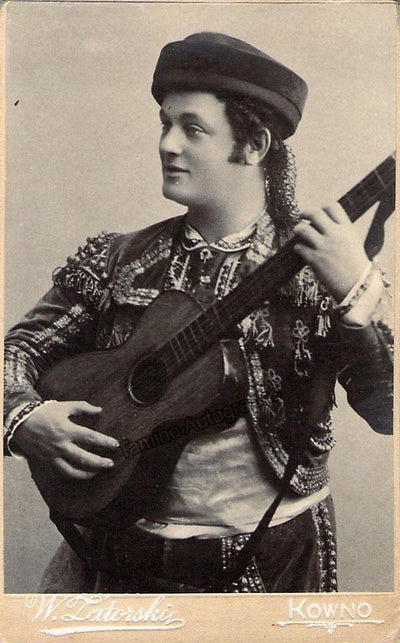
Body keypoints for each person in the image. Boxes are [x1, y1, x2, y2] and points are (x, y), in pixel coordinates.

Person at [3, 32, 393, 594]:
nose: (168, 144)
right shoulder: (119, 260)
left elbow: (388, 410)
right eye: (165, 124)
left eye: (192, 128)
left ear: (253, 145)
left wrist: (356, 291)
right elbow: (17, 352)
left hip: (272, 561)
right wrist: (25, 420)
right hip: (118, 556)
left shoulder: (324, 268)